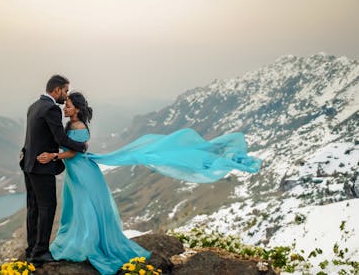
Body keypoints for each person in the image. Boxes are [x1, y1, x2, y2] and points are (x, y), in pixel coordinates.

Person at [37, 92, 262, 274]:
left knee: (86, 208)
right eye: (65, 105)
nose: (65, 108)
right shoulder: (71, 126)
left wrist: (53, 156)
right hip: (77, 174)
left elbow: (75, 152)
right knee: (77, 208)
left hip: (84, 173)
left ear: (77, 108)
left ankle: (88, 245)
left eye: (68, 105)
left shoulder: (79, 128)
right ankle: (81, 242)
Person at [20, 75, 87, 264]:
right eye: (65, 91)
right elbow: (60, 139)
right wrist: (82, 146)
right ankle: (40, 252)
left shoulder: (34, 106)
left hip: (29, 165)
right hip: (42, 167)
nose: (66, 97)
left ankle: (31, 249)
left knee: (33, 208)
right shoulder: (51, 108)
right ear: (56, 90)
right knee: (47, 207)